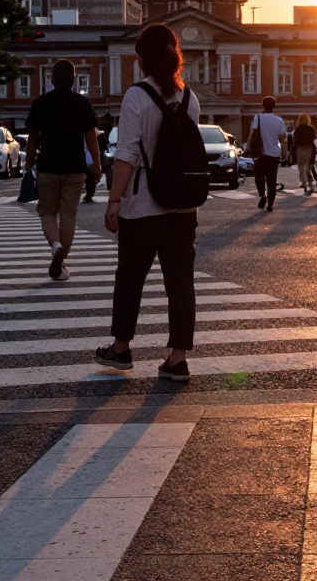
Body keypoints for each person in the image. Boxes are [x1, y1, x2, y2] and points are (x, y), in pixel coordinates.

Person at [95, 24, 201, 382]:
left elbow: (126, 154)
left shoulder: (136, 96)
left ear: (141, 59)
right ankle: (177, 358)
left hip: (142, 207)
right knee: (180, 282)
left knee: (130, 278)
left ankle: (121, 348)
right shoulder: (190, 99)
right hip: (183, 206)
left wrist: (113, 200)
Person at [23, 60, 101, 280]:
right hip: (75, 166)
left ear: (52, 79)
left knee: (47, 212)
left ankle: (55, 245)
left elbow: (32, 138)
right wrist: (97, 164)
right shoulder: (82, 103)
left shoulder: (41, 103)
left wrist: (28, 164)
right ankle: (62, 260)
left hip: (48, 165)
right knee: (69, 215)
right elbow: (91, 136)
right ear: (74, 79)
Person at [248, 96, 287, 212]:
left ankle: (262, 195)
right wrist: (285, 152)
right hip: (274, 154)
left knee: (259, 177)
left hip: (260, 153)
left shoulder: (258, 118)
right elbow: (282, 139)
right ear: (274, 107)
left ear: (262, 105)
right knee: (271, 180)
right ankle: (270, 204)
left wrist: (248, 146)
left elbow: (251, 134)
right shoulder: (279, 121)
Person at [293, 113, 317, 194]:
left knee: (301, 168)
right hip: (309, 149)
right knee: (308, 168)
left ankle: (304, 185)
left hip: (300, 149)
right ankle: (311, 184)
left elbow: (295, 141)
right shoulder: (311, 128)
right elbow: (314, 139)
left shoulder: (297, 129)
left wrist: (292, 150)